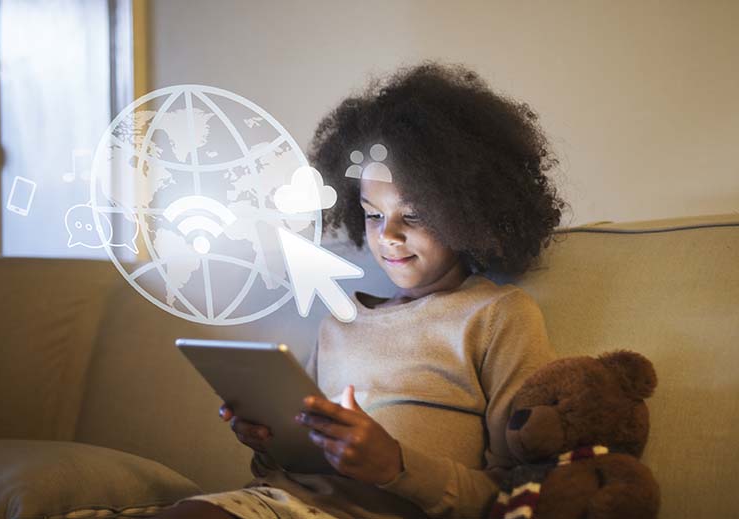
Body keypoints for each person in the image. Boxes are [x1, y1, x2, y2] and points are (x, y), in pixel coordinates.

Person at [157, 60, 567, 519]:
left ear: (467, 212)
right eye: (373, 215)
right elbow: (291, 471)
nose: (388, 235)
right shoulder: (339, 322)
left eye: (413, 215)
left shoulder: (496, 315)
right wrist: (268, 443)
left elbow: (521, 488)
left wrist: (396, 466)